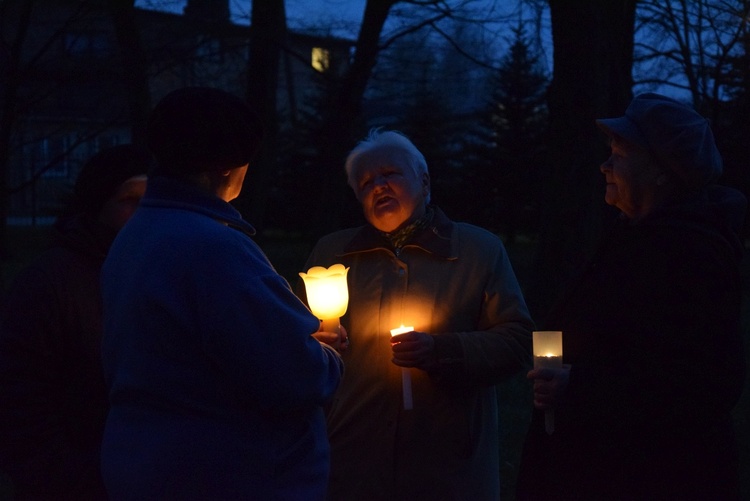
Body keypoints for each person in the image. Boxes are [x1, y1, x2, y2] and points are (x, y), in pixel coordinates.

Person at [99, 86, 344, 500]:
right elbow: (296, 376)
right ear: (228, 167)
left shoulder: (136, 235)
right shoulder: (213, 249)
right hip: (228, 475)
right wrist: (327, 356)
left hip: (150, 464)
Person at [517, 93, 747, 500]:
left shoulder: (688, 254)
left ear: (661, 170)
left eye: (620, 153)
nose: (605, 164)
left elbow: (702, 384)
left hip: (650, 478)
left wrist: (578, 387)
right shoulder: (635, 236)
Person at [299, 129, 534, 500]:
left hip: (445, 463)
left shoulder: (476, 250)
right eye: (366, 182)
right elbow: (291, 341)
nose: (379, 186)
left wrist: (442, 351)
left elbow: (517, 340)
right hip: (353, 459)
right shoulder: (332, 254)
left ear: (424, 182)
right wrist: (312, 342)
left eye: (390, 174)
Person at [0, 144, 150, 499]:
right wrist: (75, 480)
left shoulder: (162, 272)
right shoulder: (52, 284)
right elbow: (20, 403)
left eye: (154, 202)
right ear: (98, 205)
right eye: (130, 200)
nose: (144, 215)